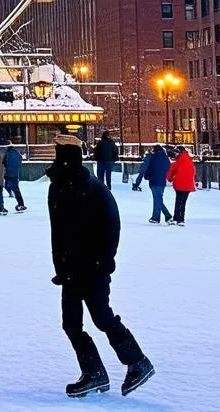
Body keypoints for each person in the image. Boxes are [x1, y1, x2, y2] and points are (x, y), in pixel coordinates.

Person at [47, 134, 154, 398]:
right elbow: (58, 232)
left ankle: (137, 362)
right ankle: (94, 373)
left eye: (59, 152)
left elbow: (112, 225)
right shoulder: (58, 185)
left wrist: (104, 261)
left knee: (102, 316)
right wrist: (60, 265)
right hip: (70, 269)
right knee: (71, 324)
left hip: (92, 267)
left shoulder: (93, 187)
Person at [167, 146, 196, 226]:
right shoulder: (189, 161)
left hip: (180, 184)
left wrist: (170, 179)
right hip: (188, 185)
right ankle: (181, 219)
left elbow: (171, 170)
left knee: (178, 202)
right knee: (183, 202)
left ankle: (176, 219)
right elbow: (193, 172)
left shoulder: (179, 161)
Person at [143, 144, 172, 223]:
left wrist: (146, 176)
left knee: (157, 199)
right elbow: (169, 168)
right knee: (158, 199)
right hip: (162, 181)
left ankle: (156, 217)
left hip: (154, 181)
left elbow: (149, 168)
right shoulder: (166, 158)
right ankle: (167, 215)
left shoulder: (153, 158)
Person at [3, 143, 26, 212]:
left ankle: (10, 192)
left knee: (7, 185)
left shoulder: (7, 154)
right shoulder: (17, 153)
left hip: (8, 174)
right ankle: (21, 203)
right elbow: (20, 161)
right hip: (16, 173)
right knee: (16, 189)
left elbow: (4, 162)